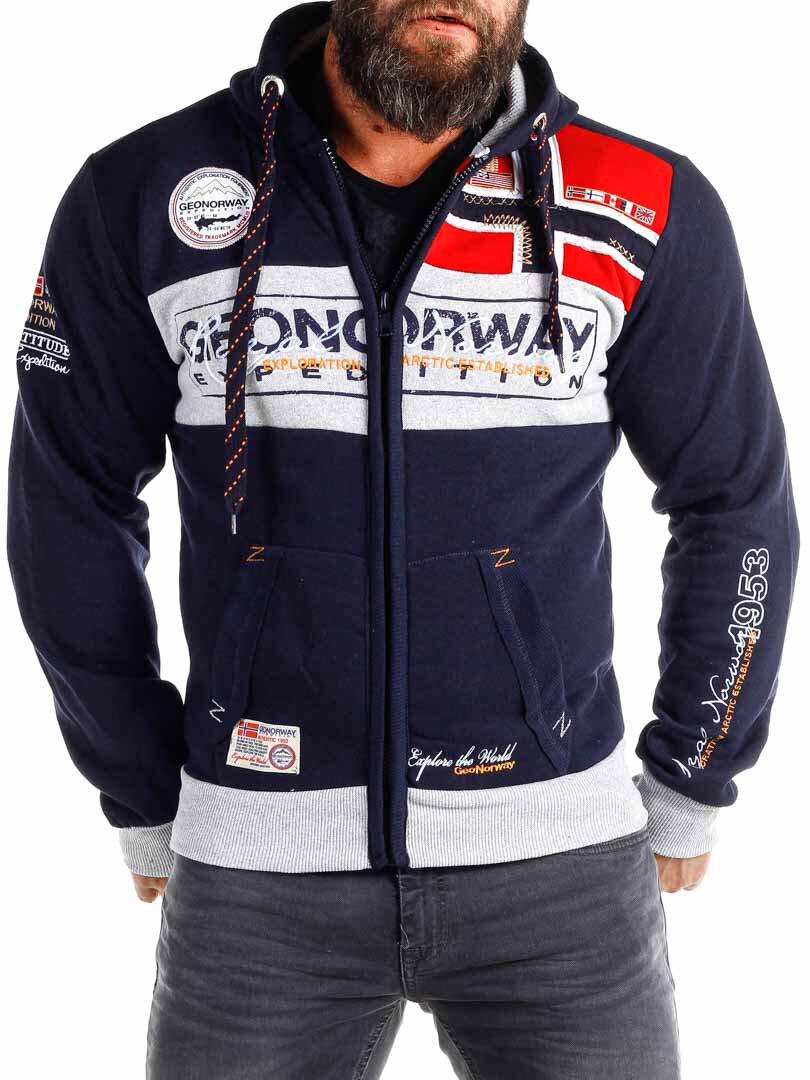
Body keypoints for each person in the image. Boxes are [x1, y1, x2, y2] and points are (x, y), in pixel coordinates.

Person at [7, 1, 799, 1076]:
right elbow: (67, 503)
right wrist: (141, 785)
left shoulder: (645, 203)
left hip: (562, 877)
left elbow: (736, 501)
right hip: (256, 883)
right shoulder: (144, 192)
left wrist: (697, 768)